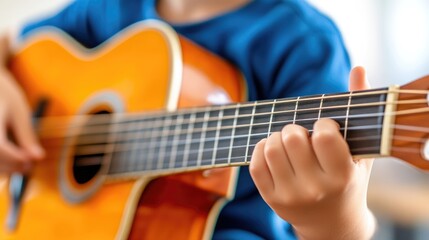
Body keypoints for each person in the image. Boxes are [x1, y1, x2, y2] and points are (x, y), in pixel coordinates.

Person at [0, 0, 376, 239]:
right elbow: (13, 46)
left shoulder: (301, 42)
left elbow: (341, 222)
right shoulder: (107, 9)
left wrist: (336, 221)